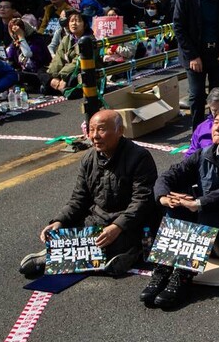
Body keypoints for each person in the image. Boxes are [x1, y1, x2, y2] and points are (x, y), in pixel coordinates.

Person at [143, 106, 219, 308]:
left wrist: (199, 202)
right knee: (176, 203)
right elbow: (169, 175)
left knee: (209, 206)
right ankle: (163, 270)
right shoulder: (203, 154)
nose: (217, 128)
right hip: (208, 233)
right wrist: (164, 197)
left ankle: (183, 277)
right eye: (216, 122)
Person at [19, 110, 159, 278]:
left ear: (120, 131)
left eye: (101, 129)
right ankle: (85, 255)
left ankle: (126, 253)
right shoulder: (88, 158)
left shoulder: (139, 157)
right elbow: (79, 198)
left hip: (127, 223)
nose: (95, 136)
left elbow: (142, 201)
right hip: (96, 220)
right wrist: (59, 221)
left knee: (114, 240)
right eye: (91, 130)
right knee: (68, 229)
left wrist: (117, 226)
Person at [44, 9, 90, 96]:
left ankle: (60, 88)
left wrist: (63, 77)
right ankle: (59, 87)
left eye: (78, 21)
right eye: (71, 21)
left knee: (74, 79)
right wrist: (54, 76)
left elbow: (78, 61)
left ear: (84, 24)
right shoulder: (66, 39)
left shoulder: (89, 39)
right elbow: (59, 58)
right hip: (65, 71)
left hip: (80, 71)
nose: (74, 24)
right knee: (42, 72)